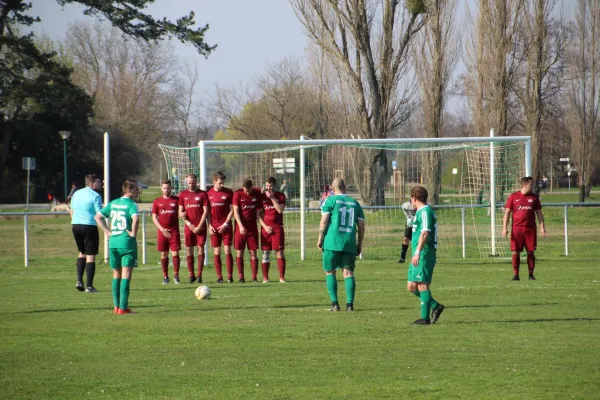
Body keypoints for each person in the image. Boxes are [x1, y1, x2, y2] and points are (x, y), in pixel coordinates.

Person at [317, 178, 365, 311]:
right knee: (348, 273)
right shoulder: (355, 203)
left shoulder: (330, 201)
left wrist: (320, 238)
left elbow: (324, 221)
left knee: (330, 272)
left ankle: (335, 304)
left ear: (332, 189)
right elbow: (361, 226)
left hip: (332, 242)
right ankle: (350, 305)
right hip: (349, 243)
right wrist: (359, 243)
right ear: (345, 187)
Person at [95, 180, 139, 314]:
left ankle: (116, 306)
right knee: (126, 274)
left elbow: (98, 217)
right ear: (129, 191)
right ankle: (123, 307)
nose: (138, 191)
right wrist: (133, 233)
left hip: (113, 243)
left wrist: (108, 232)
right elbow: (135, 218)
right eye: (136, 189)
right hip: (126, 242)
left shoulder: (113, 203)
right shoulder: (131, 204)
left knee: (116, 274)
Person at [406, 186, 445, 325]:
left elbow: (425, 233)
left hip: (424, 253)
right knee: (411, 286)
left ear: (414, 198)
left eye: (411, 197)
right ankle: (435, 306)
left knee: (422, 285)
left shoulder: (425, 211)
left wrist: (418, 252)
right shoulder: (420, 212)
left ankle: (425, 318)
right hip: (418, 254)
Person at [502, 176, 547, 281]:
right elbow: (507, 213)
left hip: (530, 229)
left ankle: (531, 275)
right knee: (515, 252)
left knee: (530, 252)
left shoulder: (534, 197)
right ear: (525, 185)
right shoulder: (513, 196)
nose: (533, 186)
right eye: (531, 184)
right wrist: (504, 228)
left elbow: (539, 214)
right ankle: (516, 275)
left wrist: (542, 228)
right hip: (517, 229)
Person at [69, 174, 103, 293]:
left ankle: (79, 281)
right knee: (90, 255)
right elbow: (99, 214)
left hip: (75, 225)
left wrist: (75, 222)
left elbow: (71, 210)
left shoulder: (77, 193)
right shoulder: (96, 196)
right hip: (89, 226)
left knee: (81, 253)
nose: (101, 183)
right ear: (92, 184)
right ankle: (89, 286)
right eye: (99, 182)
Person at [232, 178, 266, 283]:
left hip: (252, 228)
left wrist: (264, 190)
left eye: (248, 190)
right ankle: (241, 277)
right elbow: (236, 211)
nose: (247, 192)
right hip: (240, 228)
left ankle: (254, 278)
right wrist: (241, 226)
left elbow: (263, 191)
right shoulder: (238, 194)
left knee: (253, 253)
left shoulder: (256, 192)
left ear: (252, 187)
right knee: (239, 252)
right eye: (245, 190)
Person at [178, 173, 209, 284]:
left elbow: (206, 212)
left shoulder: (203, 194)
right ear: (187, 183)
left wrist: (200, 226)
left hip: (201, 227)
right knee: (189, 249)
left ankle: (199, 275)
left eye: (193, 182)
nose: (191, 185)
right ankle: (191, 275)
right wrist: (189, 224)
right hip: (189, 227)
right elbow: (180, 213)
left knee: (200, 248)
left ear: (197, 182)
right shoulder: (183, 194)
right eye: (189, 183)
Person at [151, 180, 181, 284]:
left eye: (168, 188)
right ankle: (165, 276)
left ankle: (176, 275)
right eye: (164, 188)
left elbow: (182, 211)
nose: (166, 190)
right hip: (162, 231)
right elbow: (154, 217)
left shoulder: (177, 200)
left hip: (174, 231)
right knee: (164, 254)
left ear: (171, 188)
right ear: (161, 189)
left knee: (175, 253)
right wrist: (162, 229)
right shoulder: (157, 201)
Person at [207, 171, 234, 283]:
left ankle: (229, 276)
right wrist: (209, 225)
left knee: (227, 250)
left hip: (226, 226)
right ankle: (219, 277)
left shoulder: (228, 192)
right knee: (216, 252)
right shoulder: (208, 194)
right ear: (214, 182)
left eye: (223, 183)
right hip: (214, 227)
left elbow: (232, 210)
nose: (222, 185)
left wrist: (225, 224)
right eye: (220, 183)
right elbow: (207, 212)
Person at [260, 176, 286, 283]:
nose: (268, 188)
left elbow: (280, 210)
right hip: (265, 228)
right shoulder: (262, 197)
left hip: (277, 228)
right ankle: (265, 278)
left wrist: (272, 198)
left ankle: (281, 278)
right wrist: (265, 227)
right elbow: (258, 214)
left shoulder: (280, 195)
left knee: (279, 252)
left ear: (274, 185)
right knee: (265, 253)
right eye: (267, 185)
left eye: (270, 186)